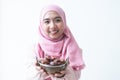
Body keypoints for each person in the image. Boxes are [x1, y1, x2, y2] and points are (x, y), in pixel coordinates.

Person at [27, 4, 85, 80]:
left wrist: (64, 73)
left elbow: (76, 78)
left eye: (57, 20)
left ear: (64, 22)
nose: (52, 26)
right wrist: (38, 70)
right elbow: (28, 77)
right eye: (47, 22)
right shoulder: (34, 48)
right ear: (41, 24)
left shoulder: (73, 48)